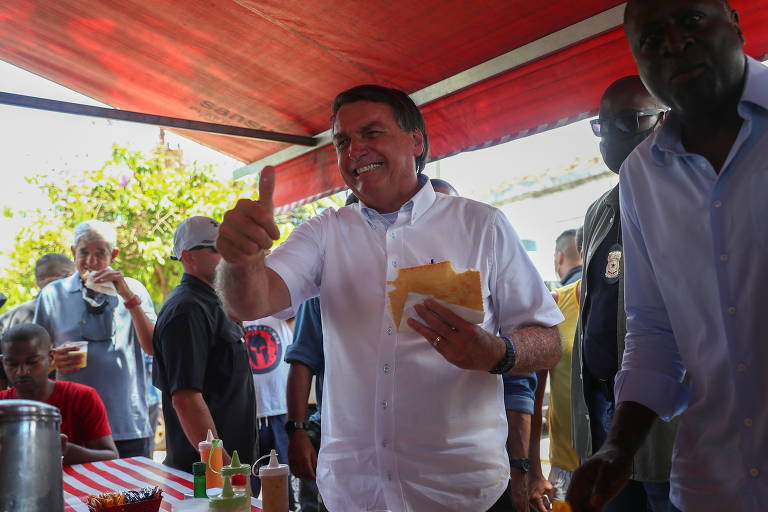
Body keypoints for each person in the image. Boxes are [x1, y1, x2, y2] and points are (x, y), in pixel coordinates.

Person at [216, 84, 563, 511]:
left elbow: (549, 341)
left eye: (371, 133)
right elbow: (249, 303)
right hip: (353, 494)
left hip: (461, 494)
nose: (354, 150)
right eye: (343, 141)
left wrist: (498, 352)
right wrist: (239, 260)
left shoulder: (482, 226)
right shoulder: (326, 231)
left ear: (416, 141)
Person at [568, 1, 767, 510]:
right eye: (652, 39)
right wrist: (619, 446)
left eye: (692, 21)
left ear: (735, 23)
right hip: (711, 483)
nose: (675, 44)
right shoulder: (641, 176)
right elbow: (654, 330)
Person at [570, 75, 676, 512]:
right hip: (604, 420)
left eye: (628, 121)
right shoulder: (599, 210)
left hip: (668, 424)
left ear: (664, 120)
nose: (611, 136)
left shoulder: (690, 200)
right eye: (602, 124)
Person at [34, 220, 156, 458]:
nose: (91, 261)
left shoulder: (134, 289)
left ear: (113, 255)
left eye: (100, 253)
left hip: (128, 422)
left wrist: (127, 296)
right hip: (74, 424)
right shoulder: (53, 294)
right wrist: (53, 361)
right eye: (84, 252)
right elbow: (34, 359)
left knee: (134, 483)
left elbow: (153, 347)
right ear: (73, 253)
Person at [152, 216, 257, 476]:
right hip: (208, 477)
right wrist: (224, 471)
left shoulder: (215, 301)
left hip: (232, 465)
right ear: (189, 256)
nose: (227, 255)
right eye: (216, 248)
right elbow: (186, 399)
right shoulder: (187, 310)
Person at [0, 323, 118, 465]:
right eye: (12, 364)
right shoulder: (2, 404)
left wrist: (65, 450)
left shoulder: (81, 397)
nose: (22, 371)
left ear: (51, 358)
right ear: (3, 362)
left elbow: (111, 456)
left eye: (32, 362)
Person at [528, 276, 581, 511]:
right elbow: (533, 398)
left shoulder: (633, 302)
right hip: (567, 470)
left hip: (624, 470)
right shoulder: (556, 304)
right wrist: (534, 472)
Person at [243, 314, 296, 509]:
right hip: (245, 415)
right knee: (246, 490)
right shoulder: (233, 310)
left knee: (283, 488)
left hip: (279, 412)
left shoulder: (279, 310)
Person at [0, 253, 74, 389]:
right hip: (55, 394)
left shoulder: (7, 317)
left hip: (18, 396)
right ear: (69, 276)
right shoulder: (75, 313)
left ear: (36, 282)